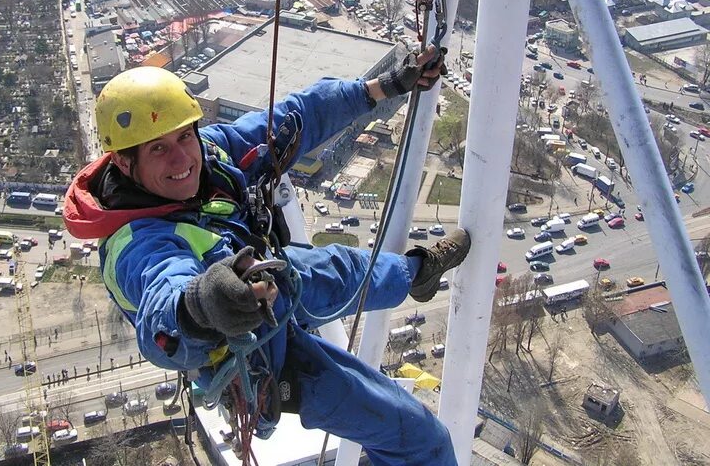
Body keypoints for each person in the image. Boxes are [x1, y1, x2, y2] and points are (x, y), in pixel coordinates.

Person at [64, 54, 471, 466]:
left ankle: (416, 273)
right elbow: (163, 306)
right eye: (158, 149)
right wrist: (201, 305)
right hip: (261, 352)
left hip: (274, 279)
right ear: (123, 161)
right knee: (421, 437)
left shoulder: (213, 155)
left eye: (184, 137)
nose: (182, 159)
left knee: (343, 267)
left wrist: (382, 88)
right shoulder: (137, 244)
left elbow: (296, 118)